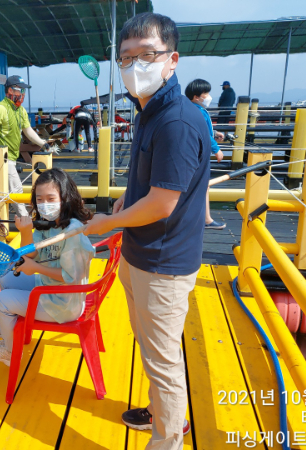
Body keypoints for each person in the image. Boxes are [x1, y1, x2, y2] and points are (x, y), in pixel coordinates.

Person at [85, 12, 211, 450]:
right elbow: (152, 183)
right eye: (125, 58)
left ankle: (167, 439)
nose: (134, 66)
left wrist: (108, 222)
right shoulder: (148, 110)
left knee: (162, 361)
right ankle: (163, 414)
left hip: (163, 264)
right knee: (151, 347)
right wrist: (126, 198)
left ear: (171, 60)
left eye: (146, 55)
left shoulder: (176, 121)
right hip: (141, 254)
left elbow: (162, 204)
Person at [0, 168, 95, 365]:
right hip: (50, 288)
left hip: (64, 304)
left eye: (51, 199)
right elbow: (32, 253)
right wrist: (25, 231)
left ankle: (10, 352)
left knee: (2, 301)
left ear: (65, 198)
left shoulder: (73, 232)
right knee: (6, 278)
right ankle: (10, 328)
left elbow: (72, 278)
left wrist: (36, 268)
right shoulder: (49, 223)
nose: (45, 205)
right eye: (40, 200)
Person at [0, 75, 51, 216]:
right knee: (16, 190)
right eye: (20, 90)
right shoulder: (0, 109)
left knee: (2, 192)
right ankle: (25, 220)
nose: (23, 94)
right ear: (10, 90)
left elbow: (28, 131)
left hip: (12, 157)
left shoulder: (20, 110)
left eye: (24, 91)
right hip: (2, 158)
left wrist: (43, 143)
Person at [185, 79, 226, 230]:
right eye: (206, 94)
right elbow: (203, 133)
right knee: (202, 185)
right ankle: (206, 219)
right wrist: (216, 149)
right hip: (198, 154)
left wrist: (215, 133)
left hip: (193, 152)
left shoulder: (190, 108)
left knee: (198, 185)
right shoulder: (198, 111)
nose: (209, 97)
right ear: (196, 97)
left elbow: (204, 130)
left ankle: (203, 218)